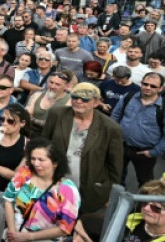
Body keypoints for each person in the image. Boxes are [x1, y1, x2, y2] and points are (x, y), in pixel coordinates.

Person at [41, 82, 123, 214]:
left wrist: (109, 194)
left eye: (85, 99)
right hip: (55, 182)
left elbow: (115, 166)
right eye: (75, 97)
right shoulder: (57, 114)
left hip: (89, 189)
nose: (78, 101)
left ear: (96, 103)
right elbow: (44, 144)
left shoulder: (110, 128)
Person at [2, 138, 81, 242]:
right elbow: (8, 200)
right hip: (11, 241)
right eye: (33, 159)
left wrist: (26, 237)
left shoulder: (67, 190)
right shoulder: (24, 173)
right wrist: (13, 237)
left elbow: (64, 228)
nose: (36, 163)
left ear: (55, 163)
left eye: (41, 160)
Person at [111, 71, 165, 186]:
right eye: (145, 84)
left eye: (153, 86)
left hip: (144, 152)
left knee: (145, 182)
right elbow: (115, 116)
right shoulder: (128, 97)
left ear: (160, 89)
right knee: (116, 176)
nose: (148, 87)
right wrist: (113, 138)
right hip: (121, 146)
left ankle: (142, 198)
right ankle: (117, 196)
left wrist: (153, 152)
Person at [25, 70, 71, 138]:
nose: (52, 86)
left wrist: (34, 120)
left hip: (52, 137)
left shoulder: (70, 101)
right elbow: (26, 116)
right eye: (51, 82)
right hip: (31, 134)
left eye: (57, 84)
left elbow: (59, 125)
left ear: (66, 86)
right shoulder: (37, 95)